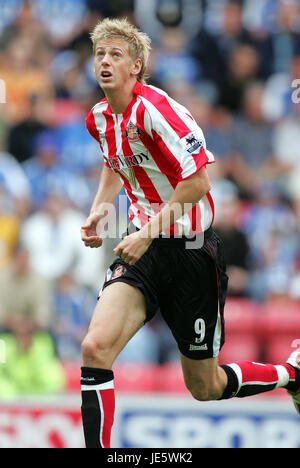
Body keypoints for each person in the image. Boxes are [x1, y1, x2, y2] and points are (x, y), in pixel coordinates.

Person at [80, 18, 300, 449]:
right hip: (143, 253)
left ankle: (292, 373)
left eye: (115, 55)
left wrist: (146, 232)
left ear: (136, 66)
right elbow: (114, 160)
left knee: (206, 386)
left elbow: (198, 182)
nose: (105, 62)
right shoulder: (100, 118)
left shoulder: (157, 111)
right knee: (94, 349)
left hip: (192, 252)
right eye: (100, 54)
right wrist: (98, 212)